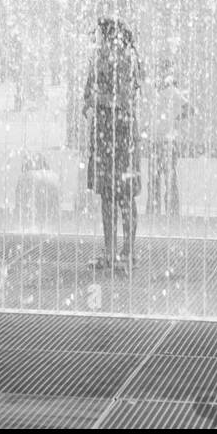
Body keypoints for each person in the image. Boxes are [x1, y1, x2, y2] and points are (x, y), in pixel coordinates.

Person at [83, 18, 142, 269]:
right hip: (115, 130)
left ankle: (118, 252)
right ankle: (117, 252)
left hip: (114, 129)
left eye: (99, 36)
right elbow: (89, 95)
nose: (97, 41)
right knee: (115, 195)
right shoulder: (114, 59)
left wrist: (98, 101)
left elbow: (97, 98)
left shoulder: (122, 59)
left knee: (118, 195)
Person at [146, 60, 191, 217]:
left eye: (162, 72)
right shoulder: (155, 91)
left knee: (168, 177)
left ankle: (170, 212)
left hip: (167, 142)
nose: (160, 76)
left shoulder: (173, 92)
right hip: (155, 140)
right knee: (155, 178)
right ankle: (155, 211)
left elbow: (189, 108)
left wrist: (175, 120)